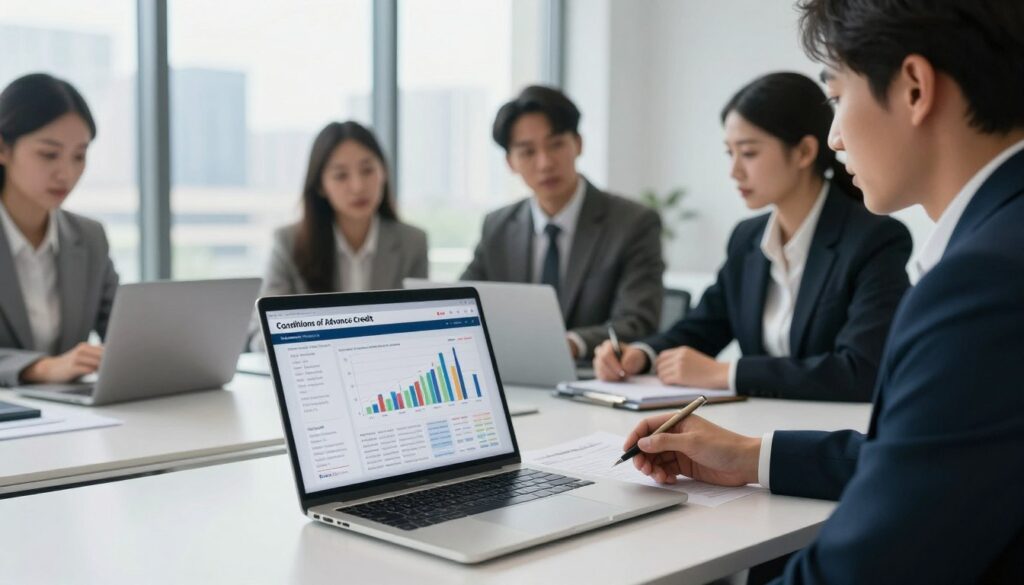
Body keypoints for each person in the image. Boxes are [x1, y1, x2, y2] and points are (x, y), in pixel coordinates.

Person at [625, 1, 1024, 582]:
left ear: (914, 87)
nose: (835, 137)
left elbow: (871, 569)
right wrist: (749, 455)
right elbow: (940, 458)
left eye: (836, 97)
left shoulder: (981, 283)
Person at [594, 72, 912, 402]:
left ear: (804, 152)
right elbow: (704, 326)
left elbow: (860, 370)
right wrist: (642, 354)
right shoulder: (748, 239)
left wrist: (726, 373)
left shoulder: (874, 239)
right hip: (755, 423)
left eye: (748, 153)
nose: (734, 172)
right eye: (729, 153)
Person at [462, 85, 664, 360]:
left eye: (556, 144)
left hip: (593, 376)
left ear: (578, 144)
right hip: (517, 377)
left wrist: (571, 344)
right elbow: (462, 303)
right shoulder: (497, 226)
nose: (545, 163)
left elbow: (637, 320)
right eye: (528, 152)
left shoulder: (633, 223)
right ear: (510, 162)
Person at [249, 121, 428, 348]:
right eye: (341, 175)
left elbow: (423, 328)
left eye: (367, 170)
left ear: (383, 172)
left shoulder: (412, 242)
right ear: (321, 186)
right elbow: (261, 334)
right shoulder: (289, 242)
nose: (357, 186)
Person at [0, 73, 119, 387]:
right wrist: (40, 368)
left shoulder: (90, 237)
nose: (66, 173)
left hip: (71, 418)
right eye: (49, 154)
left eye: (79, 156)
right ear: (3, 149)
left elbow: (125, 336)